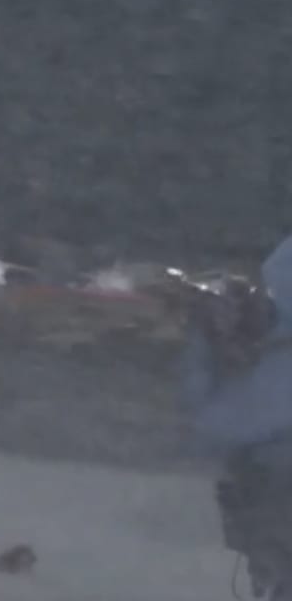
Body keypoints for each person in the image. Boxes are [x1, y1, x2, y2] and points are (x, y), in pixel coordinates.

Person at [179, 235, 292, 600]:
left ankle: (271, 580)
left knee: (272, 559)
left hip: (256, 454)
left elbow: (205, 407)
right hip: (262, 456)